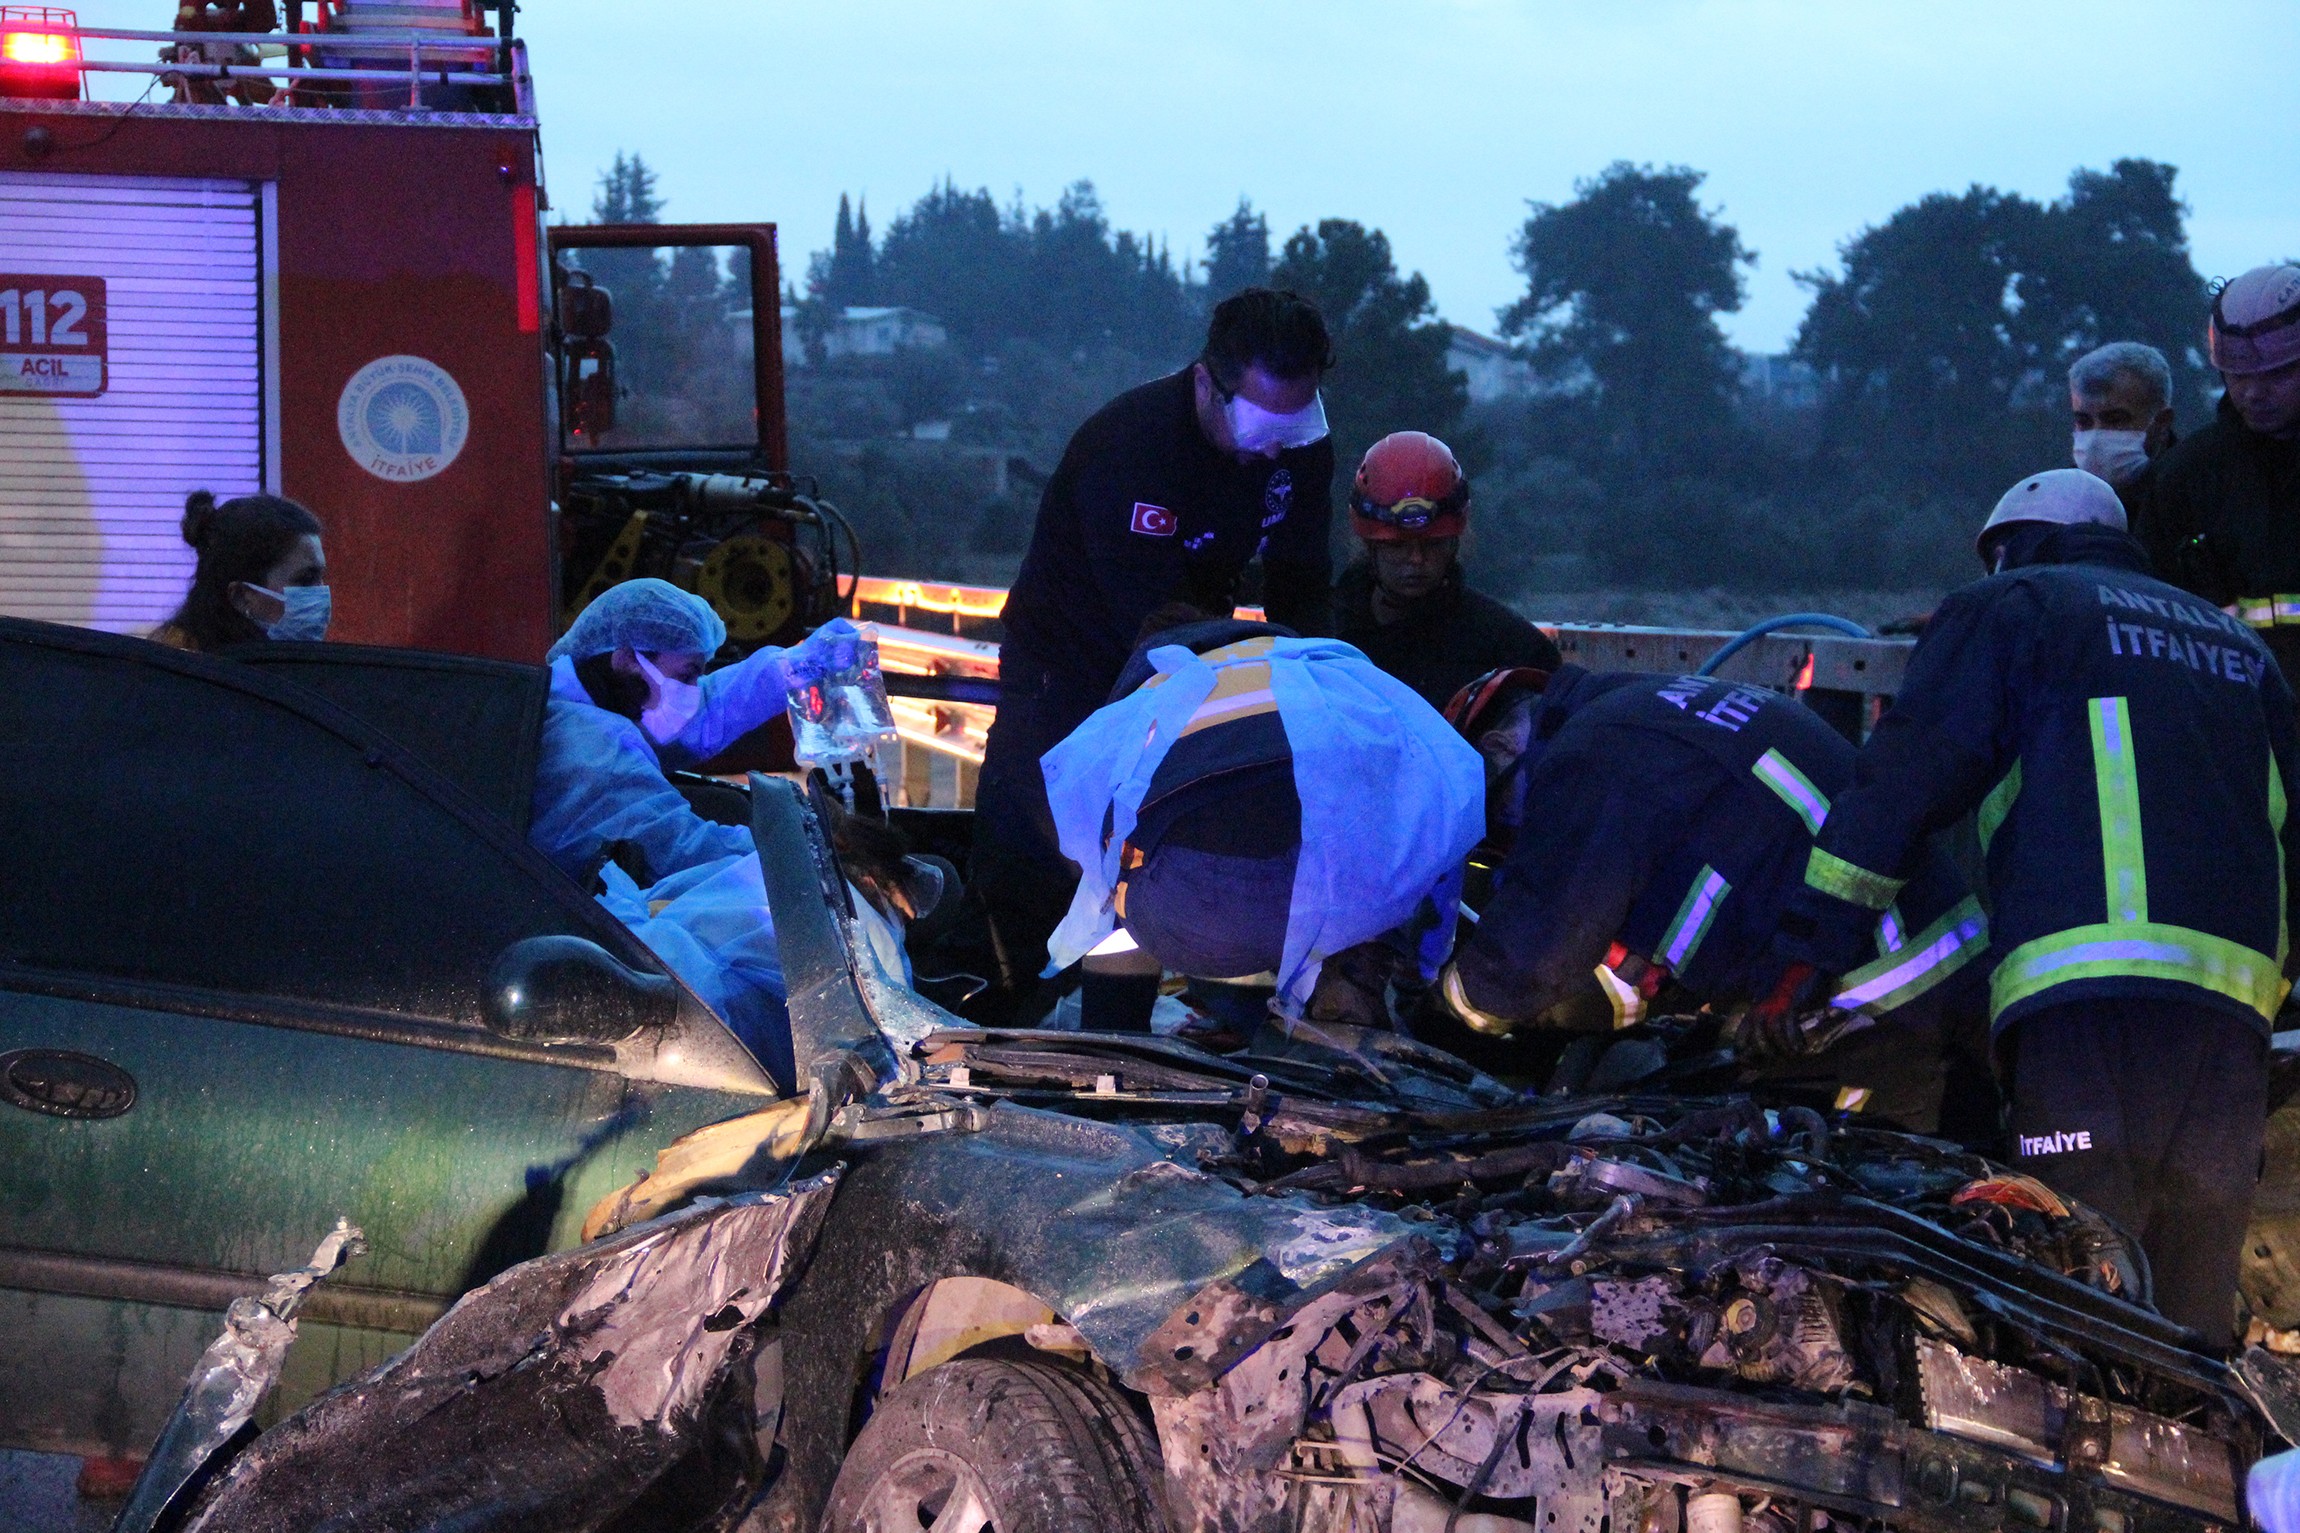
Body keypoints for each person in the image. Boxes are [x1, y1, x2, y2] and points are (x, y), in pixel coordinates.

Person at [1774, 468, 2300, 1340]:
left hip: (2081, 991)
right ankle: (2201, 1427)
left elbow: (1901, 785)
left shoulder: (2015, 604)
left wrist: (1806, 954)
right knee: (2193, 1287)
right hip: (2232, 1006)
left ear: (2012, 547)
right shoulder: (2237, 646)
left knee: (2076, 1266)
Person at [972, 287, 1338, 1014]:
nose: (1279, 445)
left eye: (1297, 423)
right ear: (1207, 382)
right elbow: (1152, 628)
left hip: (1187, 645)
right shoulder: (1130, 448)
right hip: (1069, 665)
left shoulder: (1298, 446)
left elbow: (1303, 585)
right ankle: (993, 1002)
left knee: (1154, 862)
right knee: (1040, 851)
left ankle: (1129, 1029)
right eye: (1262, 423)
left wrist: (1318, 688)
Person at [1430, 664, 1990, 1132]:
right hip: (1939, 953)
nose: (1513, 833)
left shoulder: (1587, 762)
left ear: (1497, 747)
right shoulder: (1645, 711)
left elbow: (1530, 958)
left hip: (1871, 992)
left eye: (1498, 818)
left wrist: (1446, 1007)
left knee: (1833, 1185)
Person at [1038, 620, 1482, 1033]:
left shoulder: (1146, 698)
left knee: (1116, 873)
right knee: (1362, 841)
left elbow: (1082, 830)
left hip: (1186, 913)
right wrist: (1419, 970)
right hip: (1343, 896)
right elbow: (1446, 797)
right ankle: (1349, 993)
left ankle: (1116, 1047)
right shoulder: (1335, 675)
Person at [2133, 264, 2300, 677]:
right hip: (2235, 706)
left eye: (2277, 374)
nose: (2253, 393)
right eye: (2238, 376)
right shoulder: (2186, 478)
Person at [1331, 431, 1563, 709]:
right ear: (1368, 545)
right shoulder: (1322, 636)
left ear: (1456, 541)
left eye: (1433, 544)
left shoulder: (1513, 648)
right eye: (1397, 546)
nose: (1416, 559)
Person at [151, 489, 330, 650]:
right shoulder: (175, 666)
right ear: (241, 596)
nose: (322, 595)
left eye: (321, 578)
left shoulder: (291, 665)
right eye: (306, 579)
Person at [2068, 342, 2178, 514]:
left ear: (2162, 422)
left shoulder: (2195, 496)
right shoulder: (2059, 500)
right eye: (2084, 421)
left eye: (2115, 420)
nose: (2095, 437)